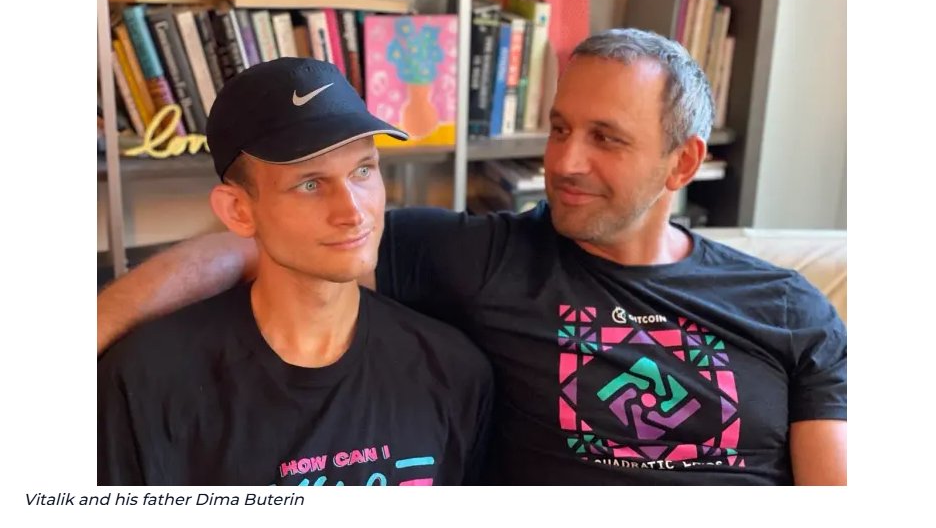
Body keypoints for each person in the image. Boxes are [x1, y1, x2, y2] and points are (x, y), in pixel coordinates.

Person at [98, 29, 846, 485]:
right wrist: (93, 327)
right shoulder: (483, 257)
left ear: (683, 162)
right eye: (559, 127)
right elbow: (264, 242)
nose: (565, 162)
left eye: (606, 138)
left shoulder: (788, 309)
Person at [97, 57, 494, 486]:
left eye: (363, 170)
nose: (352, 212)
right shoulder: (145, 384)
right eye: (310, 184)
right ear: (238, 211)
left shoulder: (454, 371)